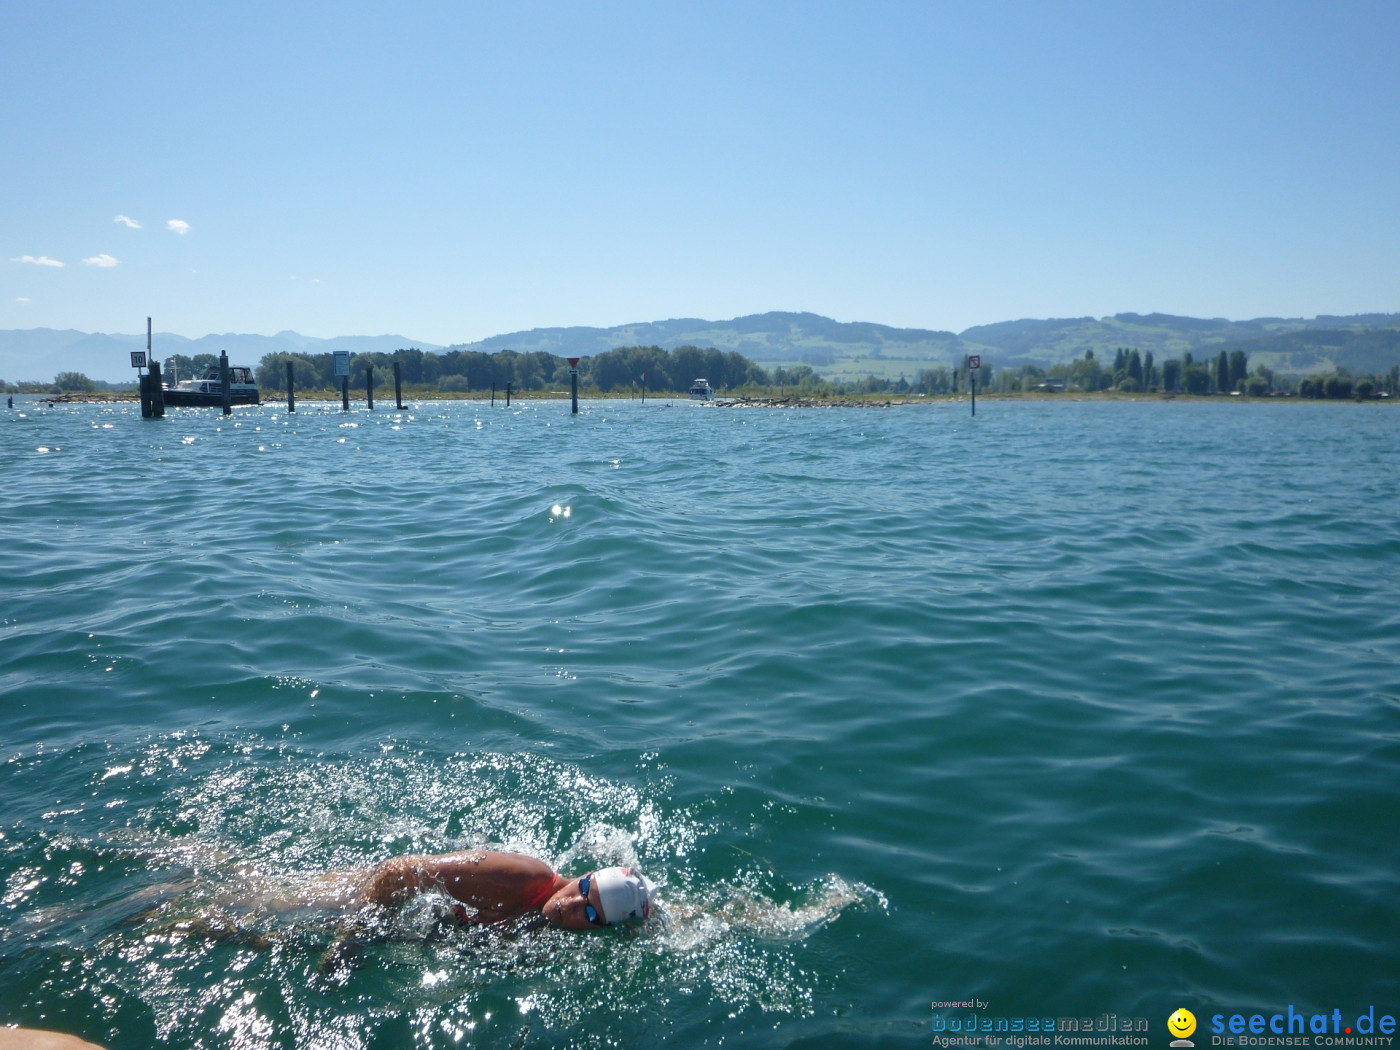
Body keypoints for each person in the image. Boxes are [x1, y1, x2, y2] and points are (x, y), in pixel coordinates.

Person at [357, 850, 655, 930]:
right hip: (345, 901)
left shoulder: (554, 929)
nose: (572, 902)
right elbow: (396, 874)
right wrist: (354, 938)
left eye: (590, 913)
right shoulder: (522, 880)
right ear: (586, 875)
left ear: (600, 928)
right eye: (585, 887)